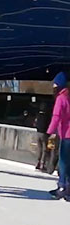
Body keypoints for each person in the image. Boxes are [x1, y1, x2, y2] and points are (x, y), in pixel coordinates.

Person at [48, 71, 70, 200]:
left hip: (66, 134)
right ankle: (67, 187)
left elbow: (56, 116)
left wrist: (50, 132)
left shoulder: (61, 98)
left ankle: (62, 187)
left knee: (63, 161)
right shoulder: (68, 96)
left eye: (55, 84)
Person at [35, 104, 51, 172]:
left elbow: (35, 123)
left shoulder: (38, 115)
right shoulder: (46, 116)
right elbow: (48, 125)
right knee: (44, 149)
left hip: (38, 133)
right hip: (44, 134)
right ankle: (42, 164)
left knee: (39, 148)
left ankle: (38, 162)